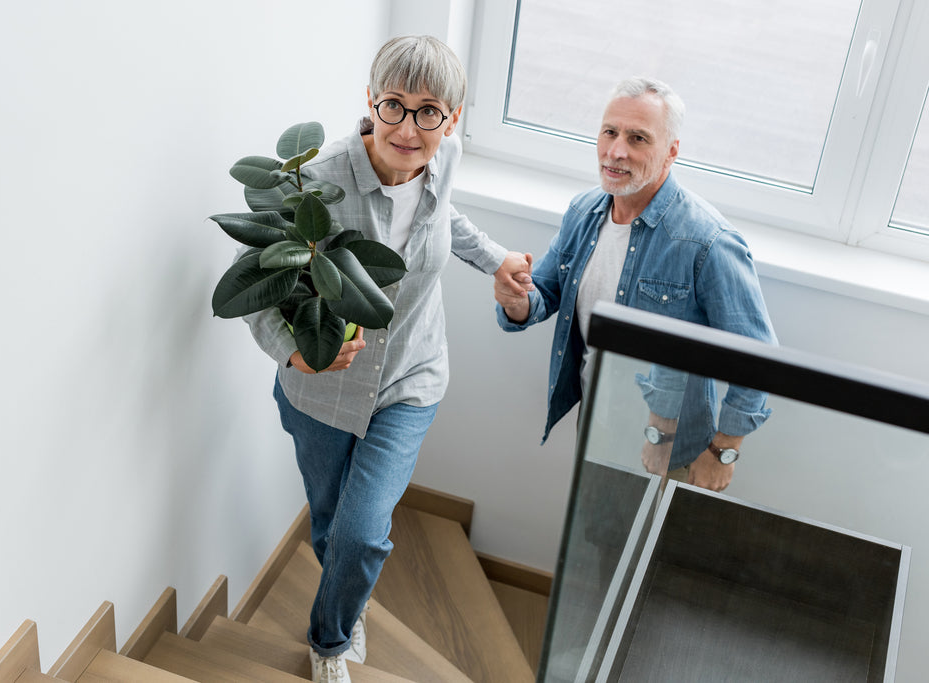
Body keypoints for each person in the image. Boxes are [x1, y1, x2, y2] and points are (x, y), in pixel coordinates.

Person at [243, 35, 531, 683]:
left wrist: (498, 259)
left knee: (362, 531)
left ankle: (329, 638)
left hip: (411, 378)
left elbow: (443, 219)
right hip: (321, 393)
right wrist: (297, 352)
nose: (408, 127)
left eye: (429, 111)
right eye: (394, 106)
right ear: (370, 102)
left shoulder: (444, 159)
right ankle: (347, 593)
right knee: (330, 525)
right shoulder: (317, 185)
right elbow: (259, 293)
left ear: (451, 119)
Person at [495, 77, 776, 493]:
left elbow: (758, 359)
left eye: (638, 138)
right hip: (596, 422)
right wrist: (514, 299)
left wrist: (723, 451)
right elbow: (544, 294)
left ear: (671, 151)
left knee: (651, 554)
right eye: (610, 132)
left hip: (675, 448)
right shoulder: (584, 211)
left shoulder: (708, 242)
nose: (616, 151)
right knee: (596, 544)